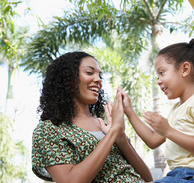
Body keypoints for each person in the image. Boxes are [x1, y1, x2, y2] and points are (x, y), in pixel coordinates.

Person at [120, 38, 194, 182]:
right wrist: (129, 111)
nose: (158, 80)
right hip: (180, 176)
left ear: (185, 69)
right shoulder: (176, 110)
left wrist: (168, 131)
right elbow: (153, 140)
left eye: (162, 73)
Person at [31, 51, 153, 183]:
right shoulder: (48, 130)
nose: (98, 79)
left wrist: (120, 136)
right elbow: (70, 181)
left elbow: (147, 178)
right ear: (68, 79)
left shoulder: (104, 125)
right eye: (89, 73)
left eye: (100, 75)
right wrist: (113, 133)